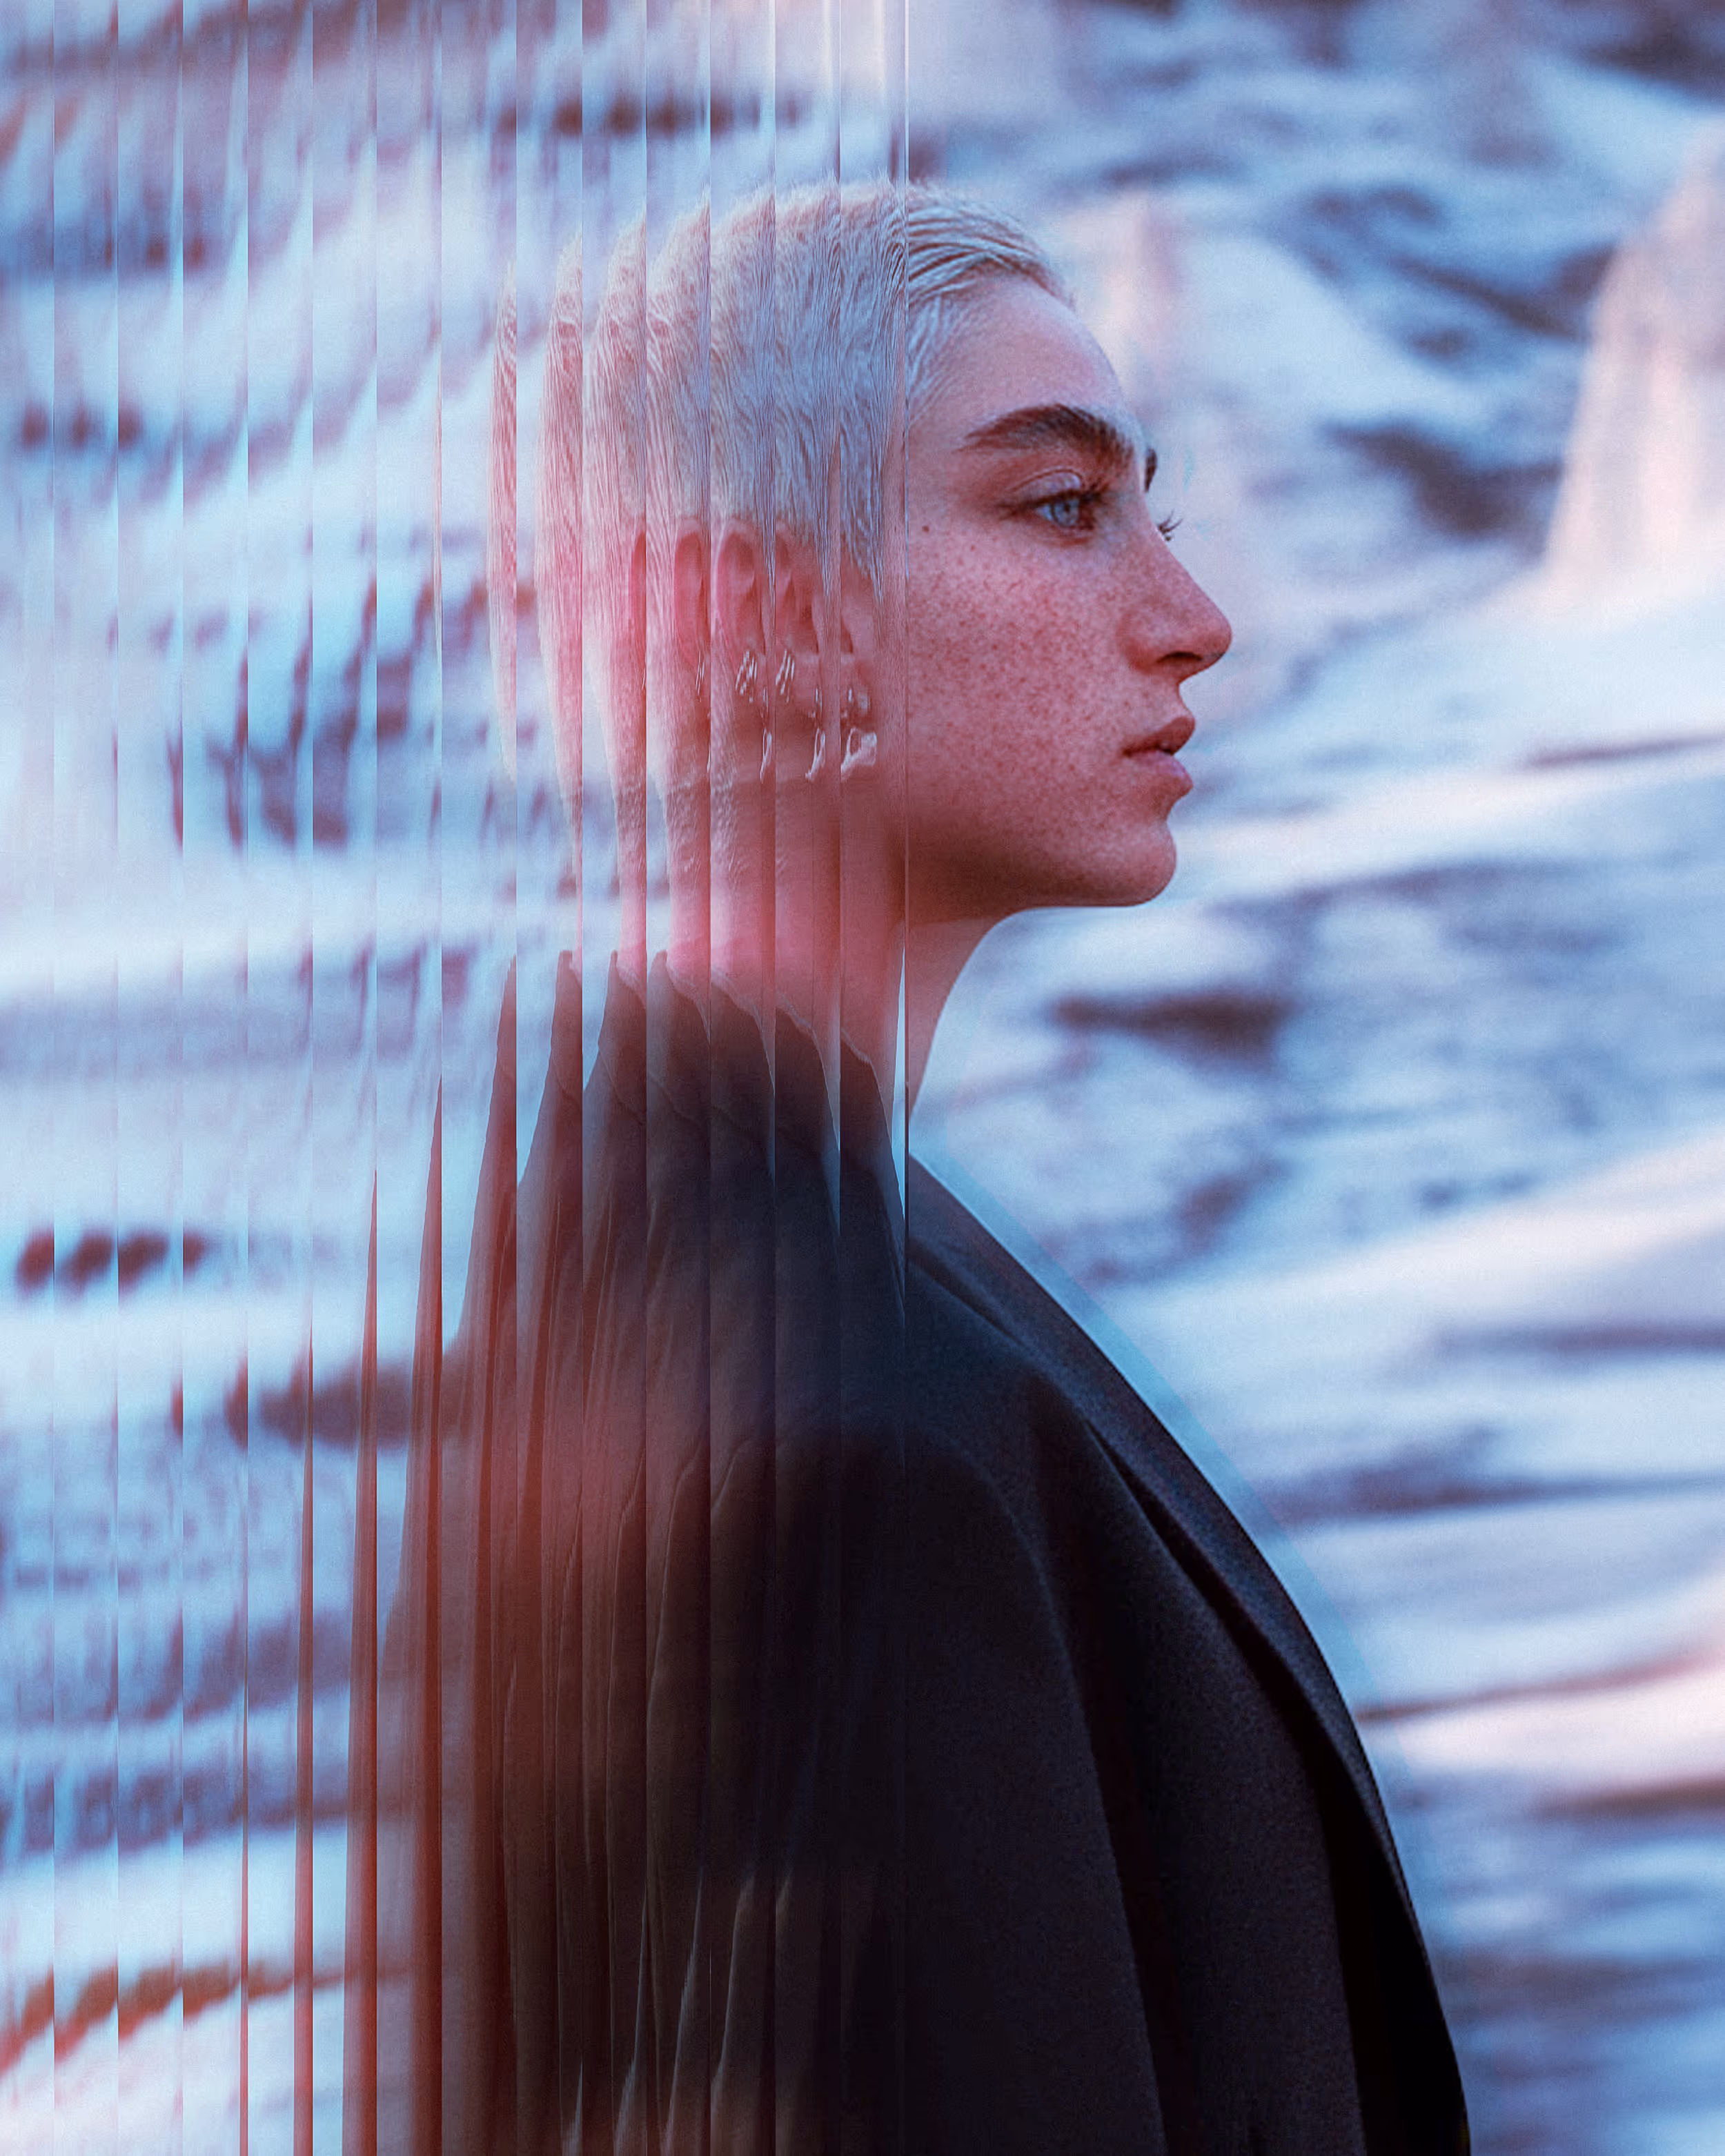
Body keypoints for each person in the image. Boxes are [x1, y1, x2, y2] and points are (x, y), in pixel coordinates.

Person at [352, 179, 1469, 2155]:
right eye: (1058, 507)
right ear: (737, 613)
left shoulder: (752, 1261)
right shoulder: (819, 1437)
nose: (1189, 618)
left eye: (1156, 505)